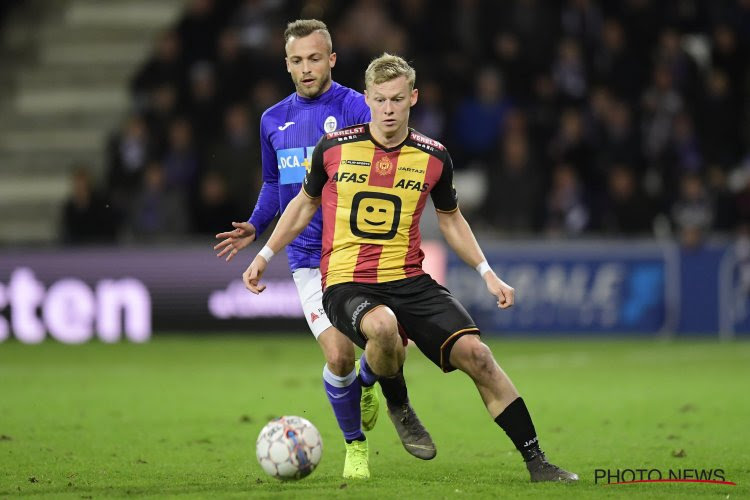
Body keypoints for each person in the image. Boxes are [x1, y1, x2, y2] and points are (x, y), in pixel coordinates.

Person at [242, 53, 578, 482]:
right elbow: (302, 205)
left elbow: (451, 218)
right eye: (379, 100)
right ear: (367, 98)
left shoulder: (433, 156)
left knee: (479, 356)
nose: (387, 109)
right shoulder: (335, 149)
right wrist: (264, 255)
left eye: (397, 99)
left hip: (410, 280)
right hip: (347, 282)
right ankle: (399, 404)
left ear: (412, 98)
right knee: (381, 327)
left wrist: (486, 272)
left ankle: (538, 462)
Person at [213, 21, 433, 479]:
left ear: (332, 59)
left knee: (389, 347)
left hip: (360, 253)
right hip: (308, 258)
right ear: (287, 64)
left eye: (315, 58)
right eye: (297, 60)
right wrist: (256, 225)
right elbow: (277, 184)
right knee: (338, 357)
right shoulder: (272, 119)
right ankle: (355, 445)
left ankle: (371, 383)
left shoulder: (358, 106)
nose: (306, 68)